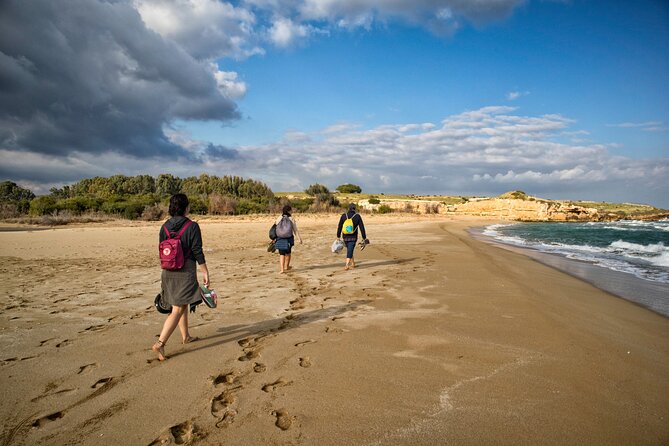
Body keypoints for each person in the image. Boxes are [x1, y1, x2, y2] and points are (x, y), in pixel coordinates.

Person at [152, 193, 210, 361]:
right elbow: (197, 251)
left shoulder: (164, 227)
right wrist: (205, 271)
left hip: (168, 271)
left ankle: (186, 336)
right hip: (185, 271)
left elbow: (162, 249)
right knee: (177, 309)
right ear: (186, 207)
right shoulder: (192, 226)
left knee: (181, 303)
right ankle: (160, 343)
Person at [337, 203, 368, 270]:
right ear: (354, 208)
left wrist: (338, 236)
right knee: (350, 250)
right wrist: (364, 237)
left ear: (348, 208)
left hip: (345, 236)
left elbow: (339, 226)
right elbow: (361, 227)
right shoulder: (357, 216)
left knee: (349, 249)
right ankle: (347, 265)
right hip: (353, 236)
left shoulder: (343, 215)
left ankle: (353, 264)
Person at [274, 204, 303, 273]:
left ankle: (282, 269)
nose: (292, 211)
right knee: (288, 253)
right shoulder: (291, 218)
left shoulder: (279, 218)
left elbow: (275, 228)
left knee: (281, 254)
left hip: (280, 238)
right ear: (289, 211)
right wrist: (299, 238)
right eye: (291, 210)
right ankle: (287, 266)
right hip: (288, 238)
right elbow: (295, 229)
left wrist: (274, 238)